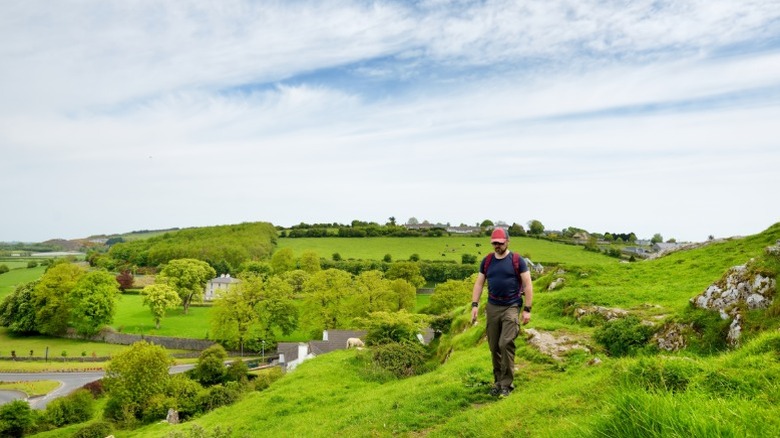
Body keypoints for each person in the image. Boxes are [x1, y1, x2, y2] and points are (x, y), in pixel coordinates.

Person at [471, 227, 533, 397]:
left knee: (505, 343)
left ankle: (507, 384)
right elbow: (479, 283)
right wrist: (474, 305)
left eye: (500, 243)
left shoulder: (517, 260)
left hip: (511, 306)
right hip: (492, 306)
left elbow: (527, 284)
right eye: (494, 243)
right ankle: (498, 382)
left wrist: (527, 309)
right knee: (494, 346)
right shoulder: (487, 261)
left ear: (507, 241)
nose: (497, 246)